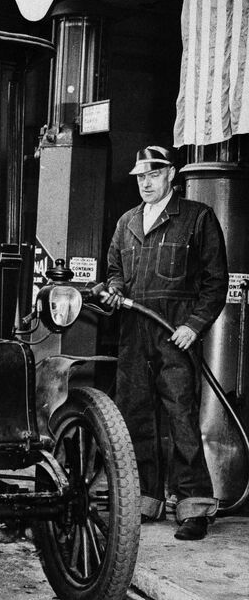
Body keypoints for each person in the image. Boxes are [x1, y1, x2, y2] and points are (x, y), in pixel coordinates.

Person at [104, 145, 228, 540]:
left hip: (176, 332)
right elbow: (114, 271)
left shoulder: (196, 218)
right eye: (140, 177)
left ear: (171, 175)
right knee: (133, 414)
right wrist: (113, 289)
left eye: (153, 176)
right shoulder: (127, 222)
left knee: (180, 416)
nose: (145, 183)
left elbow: (215, 281)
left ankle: (193, 506)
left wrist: (195, 325)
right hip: (133, 330)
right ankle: (144, 499)